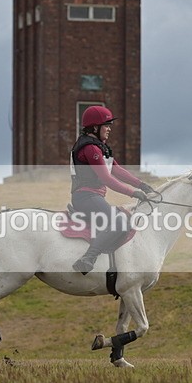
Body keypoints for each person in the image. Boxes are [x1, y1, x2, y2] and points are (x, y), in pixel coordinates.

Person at [70, 105, 155, 274]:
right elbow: (106, 178)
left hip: (94, 197)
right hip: (85, 198)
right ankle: (88, 258)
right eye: (106, 125)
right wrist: (133, 193)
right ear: (95, 127)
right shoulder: (90, 148)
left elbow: (117, 170)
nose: (109, 129)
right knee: (119, 223)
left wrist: (141, 185)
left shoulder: (100, 147)